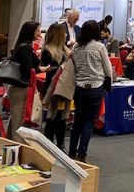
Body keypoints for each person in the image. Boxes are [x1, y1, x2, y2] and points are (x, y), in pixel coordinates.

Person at [68, 20, 114, 161]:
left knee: (78, 121)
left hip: (79, 87)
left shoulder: (76, 47)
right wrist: (109, 83)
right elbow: (107, 68)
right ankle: (82, 153)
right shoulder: (99, 47)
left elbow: (73, 67)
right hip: (95, 87)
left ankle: (71, 151)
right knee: (89, 122)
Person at [5, 21, 41, 136]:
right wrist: (40, 70)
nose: (39, 33)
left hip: (17, 87)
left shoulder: (23, 46)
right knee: (19, 121)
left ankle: (11, 145)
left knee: (15, 118)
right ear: (31, 32)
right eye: (37, 30)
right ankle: (17, 148)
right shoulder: (26, 48)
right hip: (20, 88)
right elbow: (27, 69)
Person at [40, 23, 71, 150]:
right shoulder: (48, 51)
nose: (66, 35)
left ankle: (60, 143)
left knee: (62, 117)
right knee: (52, 117)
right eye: (64, 33)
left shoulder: (66, 50)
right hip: (53, 89)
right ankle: (49, 144)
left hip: (65, 88)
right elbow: (49, 71)